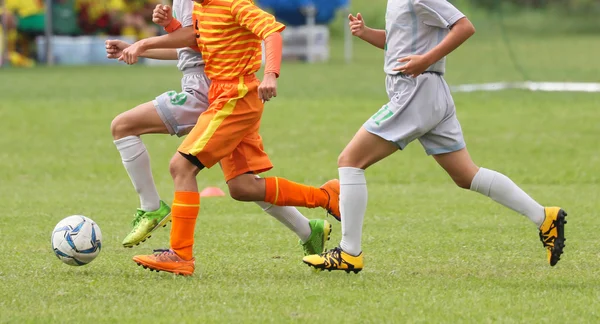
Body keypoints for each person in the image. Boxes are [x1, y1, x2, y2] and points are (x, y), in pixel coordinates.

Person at [303, 0, 567, 273]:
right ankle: (544, 217)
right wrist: (366, 32)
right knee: (466, 175)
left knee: (350, 160)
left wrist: (426, 60)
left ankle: (349, 252)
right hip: (428, 93)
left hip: (416, 92)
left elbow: (464, 27)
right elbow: (400, 45)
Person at [114, 1, 341, 276]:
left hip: (236, 97)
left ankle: (181, 255)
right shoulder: (202, 8)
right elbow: (200, 42)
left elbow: (272, 32)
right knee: (243, 187)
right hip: (223, 95)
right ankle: (326, 196)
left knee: (181, 166)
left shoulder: (234, 4)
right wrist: (170, 27)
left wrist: (270, 75)